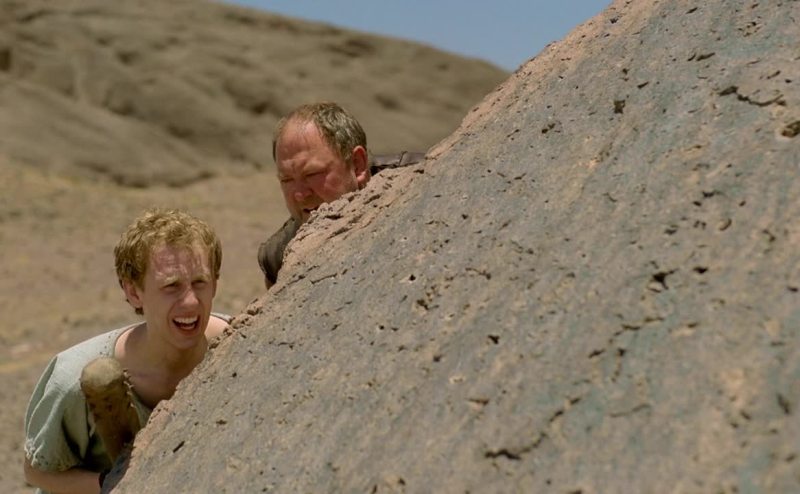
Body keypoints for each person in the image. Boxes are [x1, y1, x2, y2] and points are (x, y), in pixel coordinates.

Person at [23, 208, 230, 494]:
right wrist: (111, 485)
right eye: (171, 286)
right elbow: (37, 472)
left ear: (215, 284)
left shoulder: (239, 349)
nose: (191, 302)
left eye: (200, 283)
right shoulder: (72, 380)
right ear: (133, 292)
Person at [258, 101, 424, 288]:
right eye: (287, 179)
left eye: (312, 174)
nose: (300, 194)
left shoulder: (422, 180)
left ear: (357, 164)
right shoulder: (278, 257)